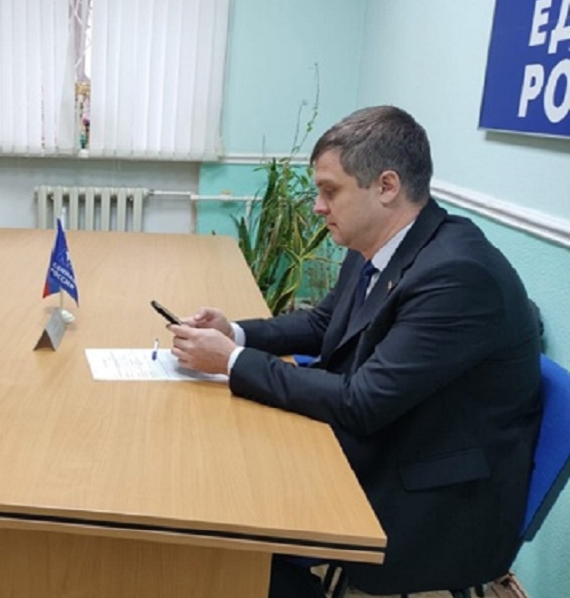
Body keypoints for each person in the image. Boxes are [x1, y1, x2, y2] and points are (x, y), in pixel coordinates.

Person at [167, 106, 541, 597]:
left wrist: (231, 362)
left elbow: (362, 402)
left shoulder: (457, 274)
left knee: (234, 519)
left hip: (431, 500)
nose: (318, 207)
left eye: (330, 191)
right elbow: (324, 324)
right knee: (222, 474)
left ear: (386, 187)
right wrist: (235, 333)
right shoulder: (381, 242)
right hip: (388, 440)